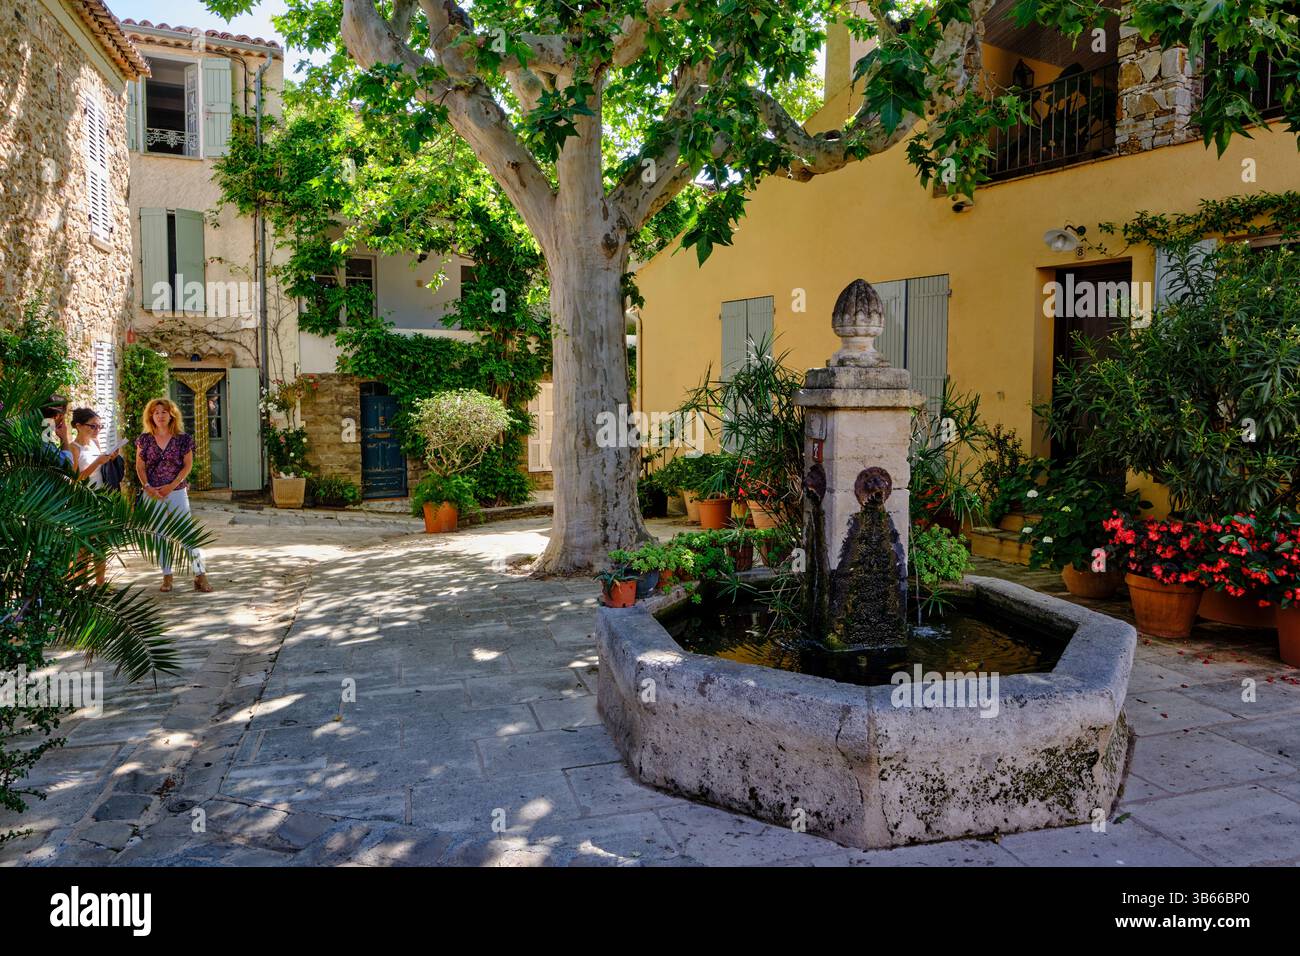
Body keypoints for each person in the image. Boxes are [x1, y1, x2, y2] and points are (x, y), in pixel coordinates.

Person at [135, 397, 213, 593]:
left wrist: (172, 485)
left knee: (186, 533)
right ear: (151, 416)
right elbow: (140, 467)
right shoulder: (144, 440)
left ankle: (200, 574)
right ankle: (167, 576)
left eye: (164, 412)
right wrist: (147, 487)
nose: (160, 416)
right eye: (156, 412)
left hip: (176, 491)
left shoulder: (183, 439)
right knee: (160, 533)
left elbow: (188, 466)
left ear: (171, 415)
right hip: (152, 493)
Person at [68, 407, 122, 586]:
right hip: (83, 501)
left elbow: (102, 470)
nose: (97, 430)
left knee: (101, 543)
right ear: (78, 426)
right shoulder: (72, 448)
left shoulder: (95, 443)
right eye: (93, 426)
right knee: (83, 546)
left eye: (100, 426)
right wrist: (97, 462)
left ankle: (100, 584)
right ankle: (82, 583)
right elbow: (75, 479)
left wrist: (111, 459)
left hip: (101, 498)